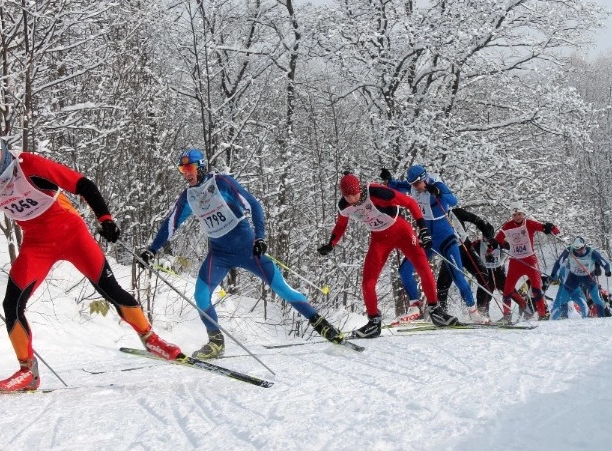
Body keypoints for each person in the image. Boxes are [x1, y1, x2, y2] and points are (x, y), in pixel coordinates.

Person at [0, 124, 180, 392]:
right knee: (11, 304)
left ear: (2, 147)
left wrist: (105, 219)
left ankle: (151, 339)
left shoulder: (29, 165)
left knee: (110, 290)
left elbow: (83, 185)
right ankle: (28, 371)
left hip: (71, 233)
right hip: (36, 244)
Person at [140, 148, 344, 358]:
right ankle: (216, 343)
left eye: (189, 168)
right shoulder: (189, 196)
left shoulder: (221, 183)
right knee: (201, 295)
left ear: (200, 167)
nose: (186, 173)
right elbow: (171, 223)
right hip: (219, 253)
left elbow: (254, 205)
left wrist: (260, 237)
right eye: (182, 169)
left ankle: (323, 326)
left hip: (247, 248)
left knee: (282, 289)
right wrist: (152, 249)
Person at [317, 172, 457, 338]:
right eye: (348, 197)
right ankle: (374, 322)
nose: (352, 199)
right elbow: (341, 226)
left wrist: (423, 229)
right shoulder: (344, 206)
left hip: (401, 231)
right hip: (379, 239)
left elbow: (410, 203)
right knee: (367, 281)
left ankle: (435, 311)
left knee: (422, 266)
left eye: (354, 195)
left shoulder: (377, 192)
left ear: (359, 189)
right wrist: (331, 244)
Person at [381, 166, 484, 323]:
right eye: (412, 184)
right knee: (404, 270)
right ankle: (415, 306)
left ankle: (473, 311)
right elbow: (397, 187)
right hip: (427, 239)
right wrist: (388, 180)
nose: (415, 187)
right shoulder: (414, 186)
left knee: (457, 276)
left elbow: (453, 201)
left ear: (424, 178)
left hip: (445, 238)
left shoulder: (436, 183)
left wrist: (439, 193)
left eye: (417, 183)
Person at [492, 202, 559, 321]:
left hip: (530, 261)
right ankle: (507, 315)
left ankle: (542, 315)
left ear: (523, 214)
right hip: (515, 262)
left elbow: (545, 228)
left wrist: (551, 228)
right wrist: (495, 246)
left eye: (519, 214)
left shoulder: (529, 223)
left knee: (536, 289)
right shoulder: (507, 226)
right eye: (515, 215)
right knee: (507, 290)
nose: (517, 217)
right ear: (512, 216)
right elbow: (498, 240)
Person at [548, 236, 612, 318]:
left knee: (596, 298)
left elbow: (603, 262)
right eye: (576, 249)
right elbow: (559, 262)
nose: (578, 251)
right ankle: (563, 317)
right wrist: (553, 274)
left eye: (580, 249)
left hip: (588, 277)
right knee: (563, 297)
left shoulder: (591, 252)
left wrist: (607, 270)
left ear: (584, 246)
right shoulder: (569, 250)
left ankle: (602, 316)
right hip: (574, 276)